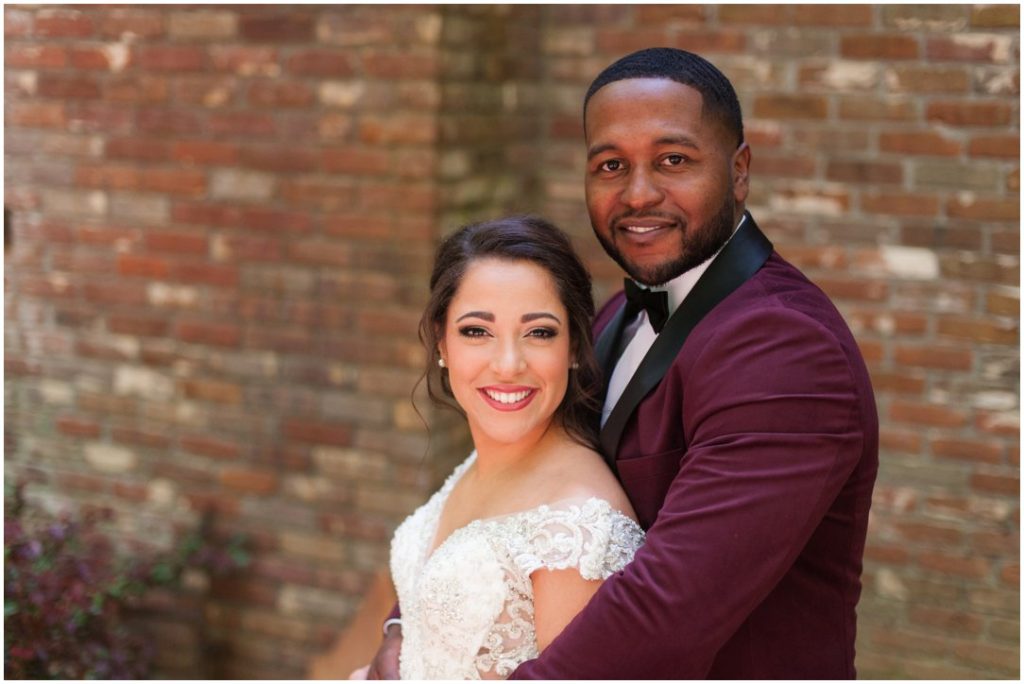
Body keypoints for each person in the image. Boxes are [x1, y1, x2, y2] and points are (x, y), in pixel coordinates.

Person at [368, 47, 878, 679]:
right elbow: (504, 483)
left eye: (673, 160)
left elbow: (665, 614)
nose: (638, 194)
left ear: (739, 170)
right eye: (611, 165)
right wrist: (406, 630)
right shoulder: (614, 315)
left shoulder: (786, 348)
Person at [354, 215, 644, 679]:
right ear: (441, 341)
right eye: (477, 331)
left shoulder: (577, 534)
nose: (508, 365)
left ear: (573, 346)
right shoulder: (483, 458)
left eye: (539, 332)